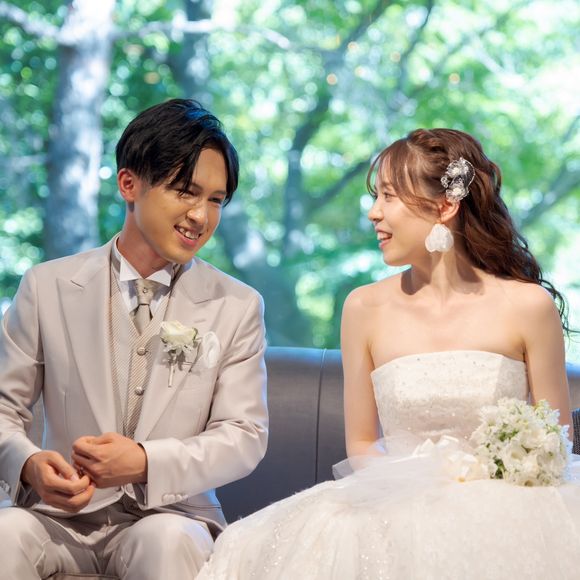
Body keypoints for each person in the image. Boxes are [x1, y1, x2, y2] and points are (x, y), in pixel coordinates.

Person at [197, 128, 580, 579]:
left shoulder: (528, 306)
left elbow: (555, 440)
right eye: (375, 196)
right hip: (395, 502)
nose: (374, 212)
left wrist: (480, 488)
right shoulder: (364, 308)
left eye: (389, 196)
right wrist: (424, 494)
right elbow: (360, 444)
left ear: (445, 206)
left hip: (511, 507)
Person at [0, 98, 268, 579]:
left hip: (171, 514)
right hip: (58, 517)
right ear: (129, 184)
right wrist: (29, 464)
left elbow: (243, 435)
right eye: (186, 191)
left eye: (216, 200)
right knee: (5, 533)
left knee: (165, 541)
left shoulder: (237, 305)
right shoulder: (46, 286)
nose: (201, 216)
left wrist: (146, 461)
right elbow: (3, 407)